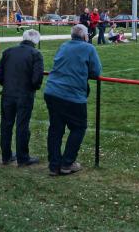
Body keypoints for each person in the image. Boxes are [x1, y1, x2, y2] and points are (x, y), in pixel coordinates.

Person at [44, 24, 102, 176]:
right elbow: (96, 72)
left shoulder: (63, 45)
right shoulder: (89, 48)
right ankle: (67, 163)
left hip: (52, 91)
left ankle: (54, 165)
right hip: (72, 95)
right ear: (85, 36)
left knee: (55, 129)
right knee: (78, 128)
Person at [0, 29, 44, 166]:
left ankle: (6, 156)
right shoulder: (36, 54)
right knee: (22, 126)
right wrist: (33, 87)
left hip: (8, 94)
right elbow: (37, 77)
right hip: (24, 94)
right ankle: (23, 157)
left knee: (6, 125)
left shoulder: (9, 51)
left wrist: (7, 84)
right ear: (36, 41)